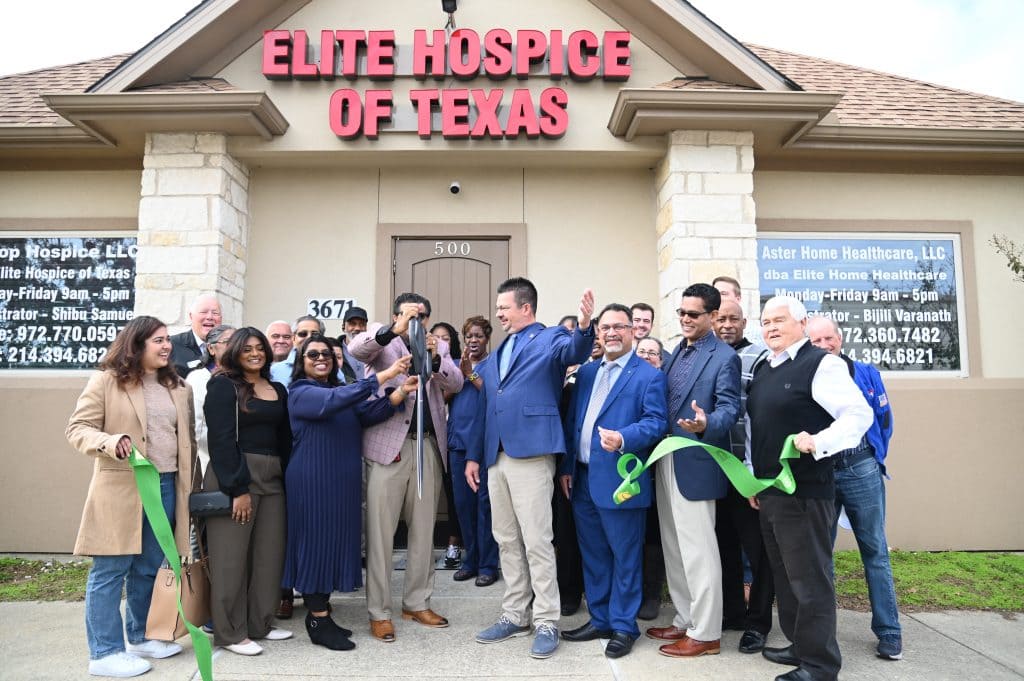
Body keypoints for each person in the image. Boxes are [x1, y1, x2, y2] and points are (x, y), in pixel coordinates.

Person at [466, 277, 595, 660]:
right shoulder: (497, 352)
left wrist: (584, 326)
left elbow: (575, 349)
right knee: (506, 539)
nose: (498, 314)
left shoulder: (551, 337)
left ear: (525, 307)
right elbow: (485, 406)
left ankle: (547, 620)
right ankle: (514, 614)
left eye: (503, 307)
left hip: (533, 452)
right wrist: (474, 455)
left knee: (537, 540)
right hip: (496, 457)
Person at [748, 296, 872, 681]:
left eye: (779, 320)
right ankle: (800, 646)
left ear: (802, 324)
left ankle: (820, 665)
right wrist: (753, 479)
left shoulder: (822, 364)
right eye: (766, 321)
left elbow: (859, 414)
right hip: (771, 491)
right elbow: (759, 428)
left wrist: (819, 442)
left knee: (809, 578)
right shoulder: (765, 367)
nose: (771, 327)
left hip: (805, 492)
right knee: (786, 577)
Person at [66, 315, 195, 678]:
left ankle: (140, 636)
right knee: (111, 569)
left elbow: (185, 440)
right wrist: (109, 442)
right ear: (137, 344)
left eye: (168, 339)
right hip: (123, 486)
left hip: (166, 485)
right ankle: (104, 652)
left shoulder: (178, 386)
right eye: (159, 340)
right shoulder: (107, 381)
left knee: (149, 567)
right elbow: (78, 428)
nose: (167, 346)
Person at [283, 335, 416, 651]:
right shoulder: (301, 392)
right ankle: (317, 619)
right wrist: (385, 375)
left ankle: (323, 614)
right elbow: (332, 402)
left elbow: (367, 414)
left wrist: (400, 392)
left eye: (327, 354)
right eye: (313, 354)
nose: (321, 358)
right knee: (316, 544)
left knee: (333, 543)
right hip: (313, 481)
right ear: (301, 361)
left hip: (342, 482)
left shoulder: (338, 391)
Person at [349, 293, 463, 643]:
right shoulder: (382, 338)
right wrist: (392, 330)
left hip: (427, 444)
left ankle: (417, 602)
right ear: (396, 314)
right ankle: (379, 612)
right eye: (409, 314)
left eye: (422, 315)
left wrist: (434, 357)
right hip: (388, 448)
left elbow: (456, 383)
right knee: (381, 534)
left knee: (424, 530)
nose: (417, 320)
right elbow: (357, 350)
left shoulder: (438, 345)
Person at [558, 303, 668, 659]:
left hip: (622, 482)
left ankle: (623, 626)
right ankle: (601, 619)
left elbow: (656, 422)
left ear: (632, 331)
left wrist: (623, 438)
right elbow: (574, 422)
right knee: (594, 555)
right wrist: (567, 467)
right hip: (583, 478)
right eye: (605, 327)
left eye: (619, 326)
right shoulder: (588, 372)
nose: (611, 333)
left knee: (625, 556)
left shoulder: (648, 375)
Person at [648, 283, 741, 659]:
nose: (685, 319)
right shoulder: (675, 353)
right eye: (681, 313)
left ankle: (706, 633)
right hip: (666, 457)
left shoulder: (725, 357)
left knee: (699, 551)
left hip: (698, 460)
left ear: (713, 316)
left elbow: (730, 409)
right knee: (674, 546)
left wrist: (706, 424)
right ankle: (685, 619)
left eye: (693, 314)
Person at [805, 316, 902, 661]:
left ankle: (889, 631)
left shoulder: (865, 373)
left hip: (861, 468)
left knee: (874, 550)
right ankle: (824, 633)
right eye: (815, 341)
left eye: (828, 338)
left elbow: (884, 420)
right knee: (821, 555)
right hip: (822, 471)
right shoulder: (805, 375)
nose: (823, 345)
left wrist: (874, 458)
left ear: (840, 338)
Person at [203, 327, 294, 656]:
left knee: (269, 556)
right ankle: (229, 633)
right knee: (230, 559)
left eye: (260, 348)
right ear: (235, 352)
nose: (255, 353)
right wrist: (237, 489)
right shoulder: (223, 386)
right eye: (247, 349)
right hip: (236, 476)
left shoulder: (277, 388)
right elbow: (221, 440)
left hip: (273, 479)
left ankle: (259, 623)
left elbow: (285, 439)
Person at [713, 300, 774, 653]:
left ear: (744, 322)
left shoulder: (760, 357)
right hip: (715, 468)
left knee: (759, 550)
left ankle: (758, 622)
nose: (726, 325)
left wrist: (755, 472)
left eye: (733, 319)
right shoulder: (708, 356)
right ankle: (733, 612)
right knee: (723, 547)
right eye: (721, 318)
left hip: (747, 470)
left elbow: (758, 417)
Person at [448, 316, 500, 587]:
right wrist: (456, 375)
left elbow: (495, 394)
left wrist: (471, 374)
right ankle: (471, 560)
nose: (473, 340)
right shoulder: (456, 364)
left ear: (487, 338)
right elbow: (444, 396)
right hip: (458, 442)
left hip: (483, 445)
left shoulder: (494, 363)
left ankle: (488, 565)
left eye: (478, 335)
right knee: (463, 506)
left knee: (485, 506)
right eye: (469, 336)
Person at [634, 333, 667, 621]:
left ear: (661, 360)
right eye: (641, 351)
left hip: (660, 467)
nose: (646, 356)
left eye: (652, 352)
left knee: (654, 533)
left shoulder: (665, 384)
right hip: (630, 466)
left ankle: (652, 594)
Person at [430, 320, 465, 569]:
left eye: (446, 338)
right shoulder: (424, 364)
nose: (441, 341)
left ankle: (455, 541)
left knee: (455, 494)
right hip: (431, 435)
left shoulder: (458, 365)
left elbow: (445, 394)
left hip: (454, 437)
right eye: (436, 337)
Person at [186, 324, 236, 476]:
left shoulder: (246, 378)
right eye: (228, 342)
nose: (235, 347)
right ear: (211, 348)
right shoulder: (198, 378)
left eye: (238, 341)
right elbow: (196, 426)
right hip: (208, 461)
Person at [170, 294, 223, 378]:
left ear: (221, 318)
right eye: (203, 312)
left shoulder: (229, 347)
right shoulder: (172, 345)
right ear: (191, 316)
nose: (210, 317)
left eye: (215, 313)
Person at [270, 315, 325, 387]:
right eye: (303, 334)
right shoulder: (275, 371)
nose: (309, 338)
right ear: (293, 338)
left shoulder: (332, 368)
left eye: (315, 334)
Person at [339, 306, 368, 382]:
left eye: (362, 324)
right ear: (343, 327)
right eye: (352, 324)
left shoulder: (374, 350)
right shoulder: (334, 351)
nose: (357, 328)